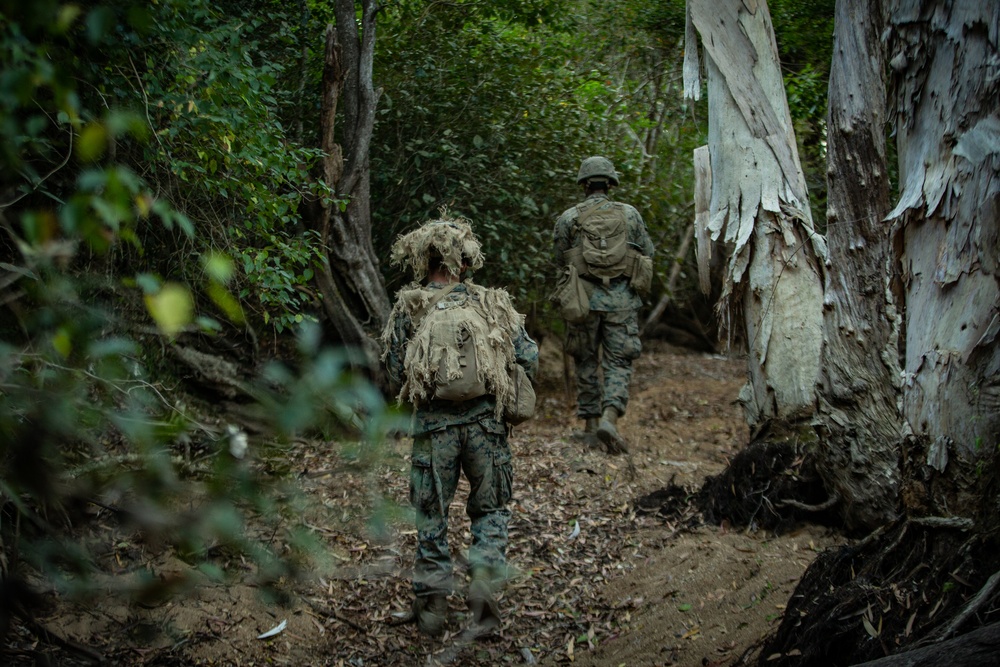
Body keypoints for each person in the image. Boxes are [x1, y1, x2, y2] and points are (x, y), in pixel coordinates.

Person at [380, 213, 539, 638]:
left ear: (423, 260)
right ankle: (484, 590)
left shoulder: (409, 306)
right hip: (486, 428)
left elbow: (396, 372)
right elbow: (529, 357)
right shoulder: (492, 303)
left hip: (434, 430)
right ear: (465, 262)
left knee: (431, 513)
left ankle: (432, 607)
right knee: (490, 510)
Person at [552, 156, 655, 453]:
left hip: (583, 301)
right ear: (610, 183)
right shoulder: (630, 214)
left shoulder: (569, 217)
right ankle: (611, 417)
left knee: (585, 360)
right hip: (621, 300)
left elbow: (558, 257)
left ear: (584, 184)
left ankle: (590, 426)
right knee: (618, 362)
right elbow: (647, 251)